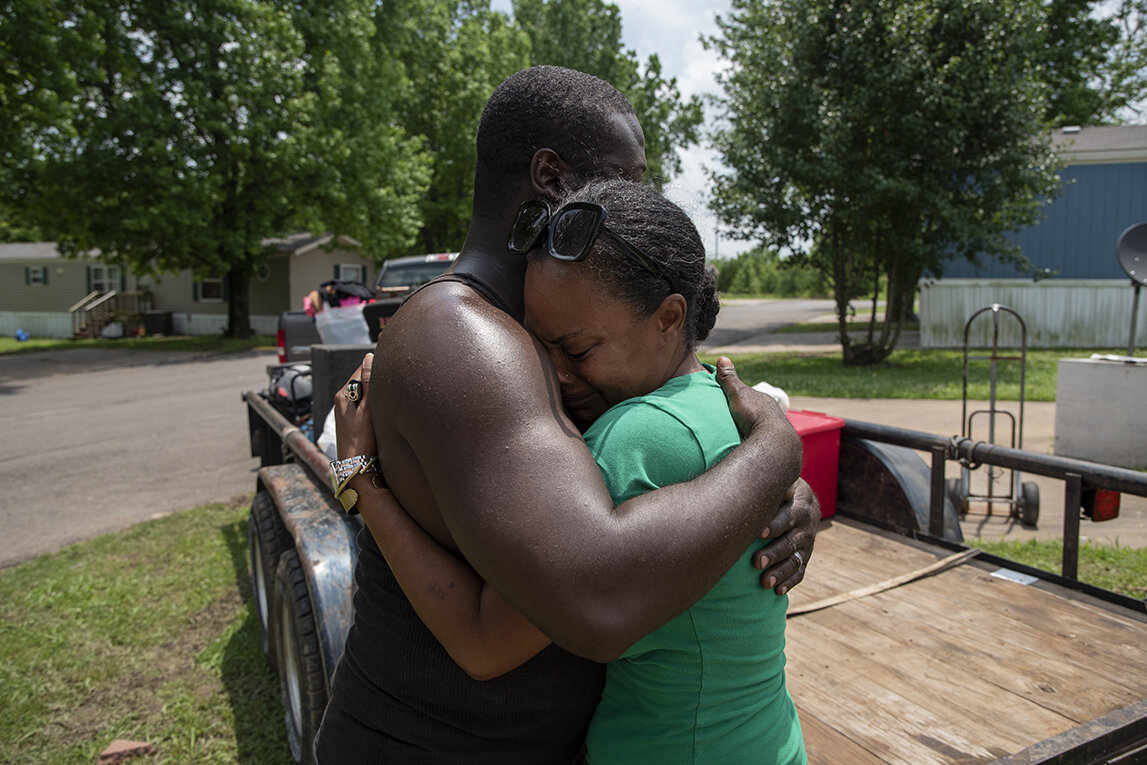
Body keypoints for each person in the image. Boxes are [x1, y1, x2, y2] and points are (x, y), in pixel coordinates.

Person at [314, 66, 818, 763]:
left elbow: (670, 430)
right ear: (551, 177)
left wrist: (774, 496)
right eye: (628, 175)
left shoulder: (547, 327)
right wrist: (772, 452)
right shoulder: (463, 337)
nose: (638, 198)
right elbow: (596, 599)